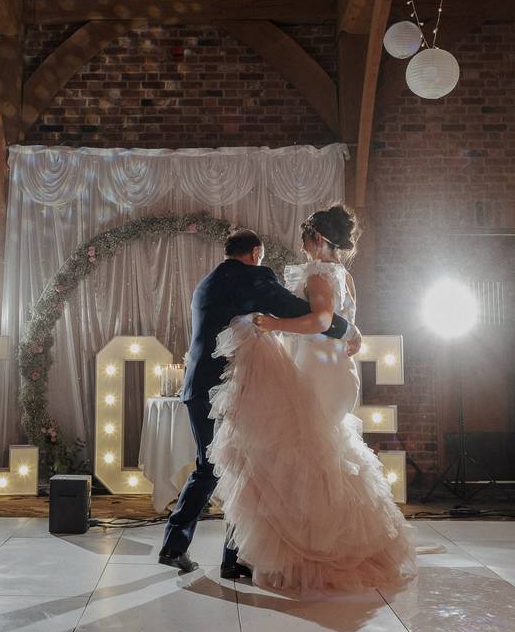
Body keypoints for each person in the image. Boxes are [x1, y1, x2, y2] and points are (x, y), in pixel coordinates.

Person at [207, 205, 416, 594]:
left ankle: (310, 548)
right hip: (335, 369)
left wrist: (274, 324)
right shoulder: (346, 277)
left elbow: (321, 321)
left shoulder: (320, 273)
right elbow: (345, 321)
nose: (302, 249)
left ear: (317, 238)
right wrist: (351, 333)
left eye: (304, 241)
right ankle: (333, 541)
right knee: (322, 455)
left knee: (300, 454)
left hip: (319, 373)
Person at [159, 228, 363, 578]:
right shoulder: (254, 276)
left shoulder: (206, 284)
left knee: (209, 467)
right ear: (255, 253)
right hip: (230, 386)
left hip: (196, 388)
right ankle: (232, 558)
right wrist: (345, 328)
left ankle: (178, 545)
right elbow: (295, 309)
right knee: (250, 467)